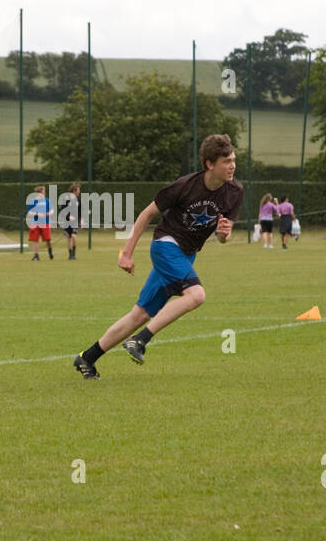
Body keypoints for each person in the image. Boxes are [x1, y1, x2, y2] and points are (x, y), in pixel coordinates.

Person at [73, 134, 242, 379]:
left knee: (140, 314)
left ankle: (87, 358)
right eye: (227, 161)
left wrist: (223, 234)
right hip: (165, 246)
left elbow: (224, 236)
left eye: (233, 160)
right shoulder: (185, 185)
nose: (232, 166)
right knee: (196, 295)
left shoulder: (235, 191)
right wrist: (127, 254)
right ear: (210, 164)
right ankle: (140, 341)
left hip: (186, 255)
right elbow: (146, 214)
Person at [26, 184, 53, 260]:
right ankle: (36, 255)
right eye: (43, 191)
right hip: (35, 223)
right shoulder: (33, 202)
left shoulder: (47, 201)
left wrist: (49, 213)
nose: (44, 193)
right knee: (35, 239)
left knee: (48, 239)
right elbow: (29, 212)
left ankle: (50, 251)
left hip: (45, 223)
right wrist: (37, 214)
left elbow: (52, 210)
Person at [58, 182, 81, 259]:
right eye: (78, 190)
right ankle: (70, 255)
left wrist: (81, 219)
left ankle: (74, 253)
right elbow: (62, 210)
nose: (79, 192)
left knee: (74, 236)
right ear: (74, 191)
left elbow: (80, 210)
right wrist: (68, 216)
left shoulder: (77, 199)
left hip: (75, 222)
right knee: (68, 238)